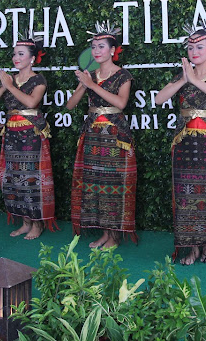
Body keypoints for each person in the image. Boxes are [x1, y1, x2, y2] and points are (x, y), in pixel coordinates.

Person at [154, 20, 206, 265]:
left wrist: (195, 81)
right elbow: (159, 99)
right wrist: (184, 79)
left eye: (200, 48)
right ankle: (190, 248)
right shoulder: (182, 76)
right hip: (186, 143)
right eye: (190, 48)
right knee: (186, 197)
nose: (194, 52)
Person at [67, 20, 137, 248]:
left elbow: (121, 103)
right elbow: (70, 105)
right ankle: (104, 233)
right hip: (93, 135)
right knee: (95, 184)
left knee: (113, 185)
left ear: (113, 51)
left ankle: (114, 235)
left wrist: (92, 85)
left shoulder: (123, 75)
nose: (96, 51)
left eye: (101, 47)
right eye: (93, 47)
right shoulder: (90, 75)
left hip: (115, 136)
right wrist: (82, 85)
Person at [0, 35, 56, 239]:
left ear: (32, 59)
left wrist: (10, 87)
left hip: (31, 134)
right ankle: (25, 221)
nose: (16, 57)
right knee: (15, 179)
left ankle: (37, 223)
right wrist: (4, 85)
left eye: (21, 54)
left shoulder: (38, 80)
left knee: (32, 179)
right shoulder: (9, 80)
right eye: (15, 53)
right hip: (12, 135)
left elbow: (32, 103)